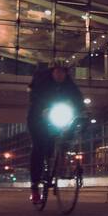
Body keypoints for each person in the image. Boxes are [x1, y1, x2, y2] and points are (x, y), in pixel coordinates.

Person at [27, 62, 84, 204]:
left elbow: (78, 98)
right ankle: (35, 186)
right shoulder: (42, 82)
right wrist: (43, 109)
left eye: (63, 72)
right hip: (38, 118)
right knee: (39, 147)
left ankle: (61, 162)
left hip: (57, 117)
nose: (60, 75)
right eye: (57, 71)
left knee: (67, 134)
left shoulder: (69, 85)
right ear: (52, 72)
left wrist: (83, 110)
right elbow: (35, 96)